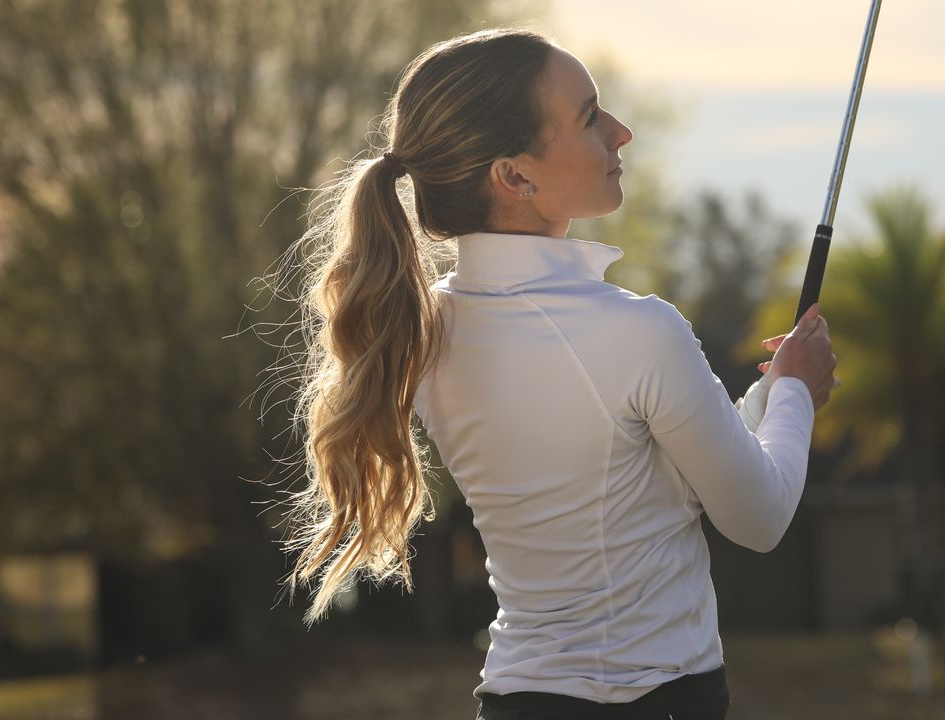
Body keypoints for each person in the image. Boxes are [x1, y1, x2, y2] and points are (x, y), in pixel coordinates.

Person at [281, 27, 838, 720]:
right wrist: (795, 392)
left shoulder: (425, 331)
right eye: (589, 118)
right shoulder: (634, 332)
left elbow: (653, 473)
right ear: (514, 176)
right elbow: (757, 516)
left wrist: (768, 392)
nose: (621, 132)